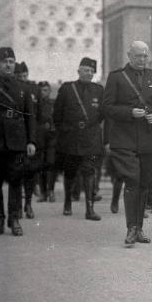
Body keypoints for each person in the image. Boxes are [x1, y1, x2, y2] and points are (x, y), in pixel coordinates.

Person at [103, 40, 152, 246]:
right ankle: (131, 228)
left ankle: (139, 229)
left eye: (146, 56)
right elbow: (107, 107)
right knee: (132, 180)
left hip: (148, 138)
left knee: (145, 182)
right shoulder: (117, 77)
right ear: (129, 56)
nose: (143, 59)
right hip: (124, 139)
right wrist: (129, 112)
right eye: (138, 56)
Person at [53, 57, 103, 221]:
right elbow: (57, 115)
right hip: (71, 138)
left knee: (89, 171)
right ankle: (68, 201)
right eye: (85, 70)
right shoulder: (67, 89)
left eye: (91, 71)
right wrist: (66, 132)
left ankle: (90, 208)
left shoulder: (98, 90)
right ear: (79, 71)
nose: (88, 73)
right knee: (70, 171)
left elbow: (102, 114)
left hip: (90, 138)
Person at [0, 47, 36, 236]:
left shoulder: (23, 88)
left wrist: (31, 141)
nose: (8, 65)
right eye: (4, 61)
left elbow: (30, 116)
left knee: (15, 180)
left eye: (11, 62)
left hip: (17, 140)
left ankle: (14, 219)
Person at [15, 61, 40, 219]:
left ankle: (28, 204)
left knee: (31, 172)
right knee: (17, 172)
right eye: (20, 76)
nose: (23, 78)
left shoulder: (33, 89)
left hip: (31, 134)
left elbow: (37, 113)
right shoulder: (12, 88)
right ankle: (17, 207)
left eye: (25, 75)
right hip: (16, 135)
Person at [35, 81, 57, 203]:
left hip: (52, 138)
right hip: (39, 138)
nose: (45, 93)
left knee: (51, 165)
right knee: (40, 166)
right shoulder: (35, 105)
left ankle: (51, 191)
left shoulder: (54, 104)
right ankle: (43, 193)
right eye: (42, 90)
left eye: (47, 90)